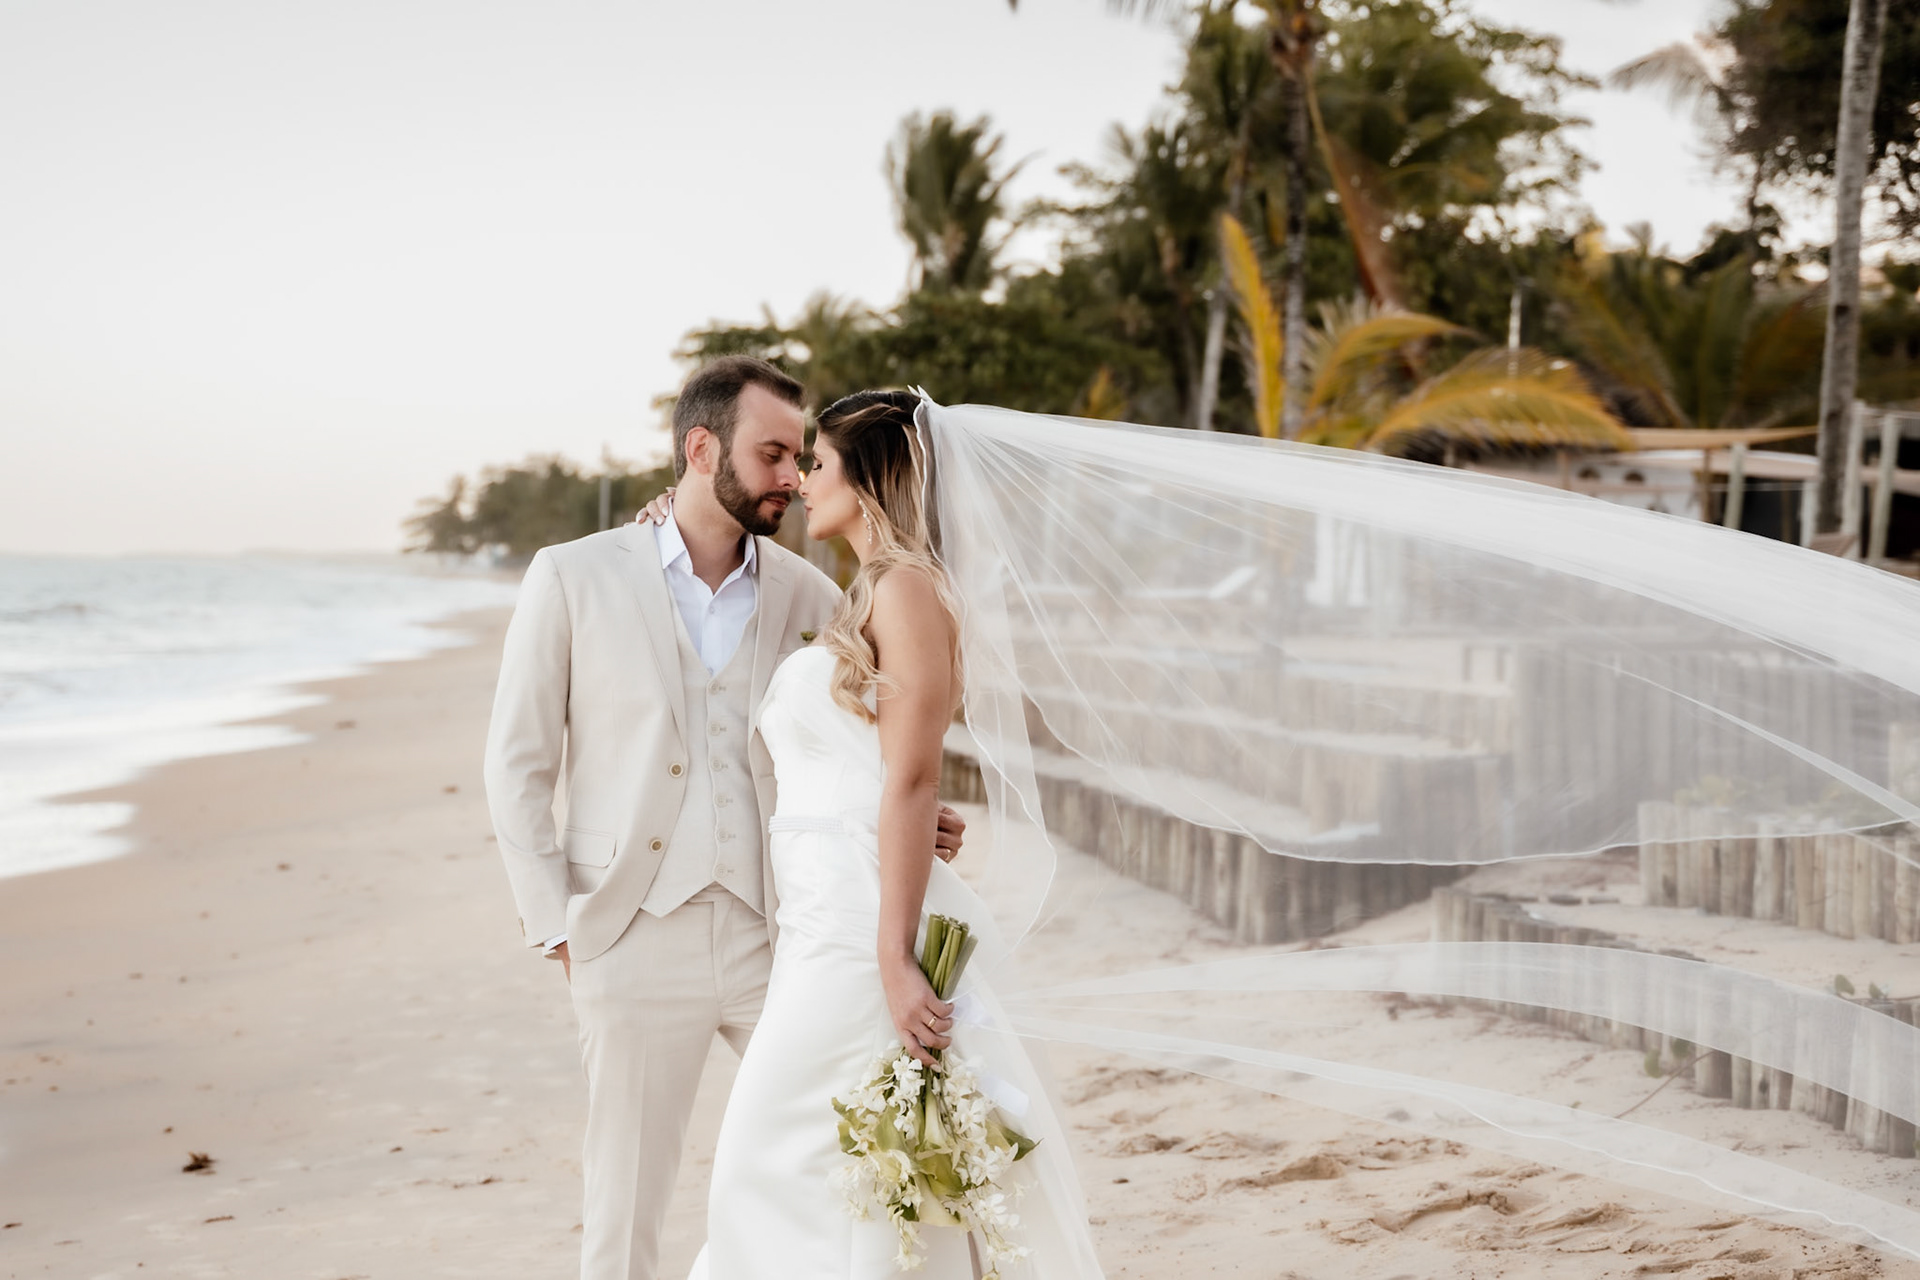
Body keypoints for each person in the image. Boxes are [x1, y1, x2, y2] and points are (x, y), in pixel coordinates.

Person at [482, 358, 966, 1280]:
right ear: (702, 450)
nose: (792, 474)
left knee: (832, 1157)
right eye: (774, 454)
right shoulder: (573, 576)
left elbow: (858, 742)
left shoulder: (811, 594)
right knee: (624, 1201)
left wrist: (910, 813)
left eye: (802, 458)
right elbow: (517, 763)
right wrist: (557, 925)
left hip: (777, 933)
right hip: (627, 932)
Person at [678, 390, 1106, 1280]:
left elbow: (914, 778)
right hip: (820, 909)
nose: (801, 481)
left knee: (765, 1146)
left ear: (869, 480)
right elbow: (880, 768)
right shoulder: (870, 590)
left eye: (818, 463)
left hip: (857, 917)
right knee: (823, 1153)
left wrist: (894, 957)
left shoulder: (906, 588)